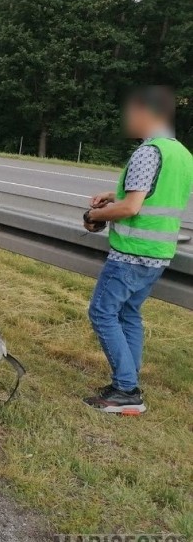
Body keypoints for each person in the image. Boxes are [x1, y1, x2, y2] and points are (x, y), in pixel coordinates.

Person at [82, 86, 192, 414]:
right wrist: (112, 195)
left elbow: (132, 208)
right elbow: (155, 197)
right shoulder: (182, 154)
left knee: (102, 312)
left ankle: (126, 390)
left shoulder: (148, 151)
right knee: (129, 313)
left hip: (131, 253)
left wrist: (94, 215)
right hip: (159, 253)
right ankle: (129, 378)